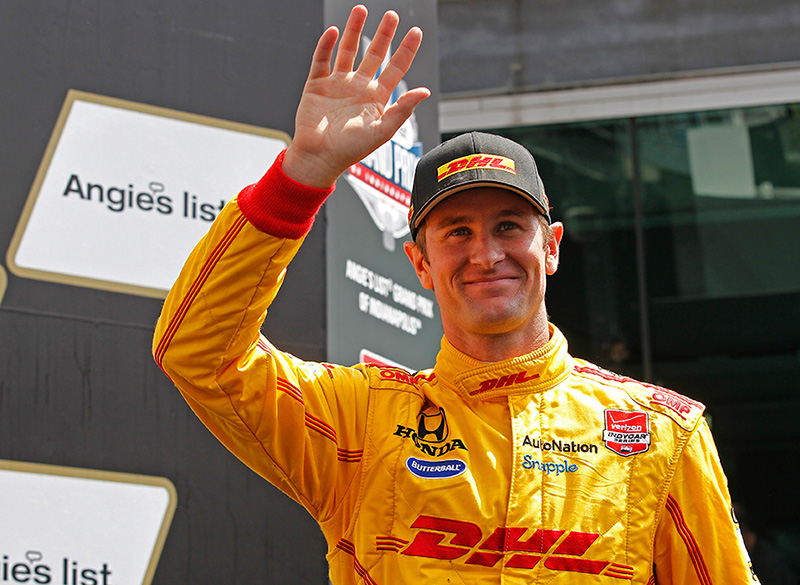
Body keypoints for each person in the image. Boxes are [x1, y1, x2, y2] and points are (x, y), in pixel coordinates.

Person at [153, 5, 759, 583]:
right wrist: (302, 175)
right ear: (420, 263)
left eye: (508, 226)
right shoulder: (359, 422)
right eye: (457, 232)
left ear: (551, 247)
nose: (486, 254)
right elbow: (199, 353)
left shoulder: (659, 433)